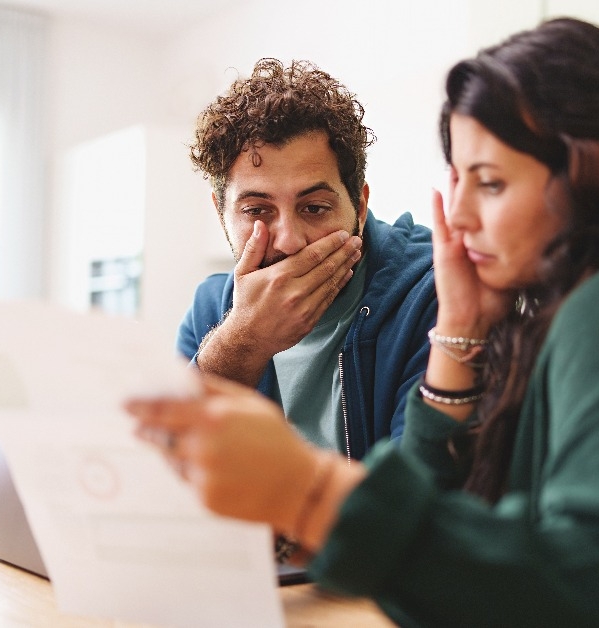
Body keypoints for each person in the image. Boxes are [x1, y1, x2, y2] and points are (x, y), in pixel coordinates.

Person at [130, 18, 599, 628]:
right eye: (462, 182)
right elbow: (468, 552)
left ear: (590, 175)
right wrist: (458, 334)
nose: (462, 214)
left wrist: (312, 494)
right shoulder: (576, 311)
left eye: (491, 183)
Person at [177, 58, 437, 462]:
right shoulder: (212, 310)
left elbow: (418, 503)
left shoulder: (430, 296)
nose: (289, 241)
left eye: (314, 208)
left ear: (360, 205)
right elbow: (166, 478)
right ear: (221, 214)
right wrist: (242, 341)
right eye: (257, 211)